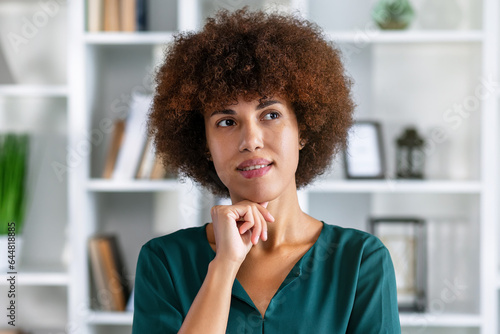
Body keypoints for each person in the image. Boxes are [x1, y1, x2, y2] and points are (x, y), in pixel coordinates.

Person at [132, 7, 400, 334]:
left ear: (303, 130)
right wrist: (224, 266)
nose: (251, 141)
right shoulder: (165, 262)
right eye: (226, 122)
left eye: (270, 115)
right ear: (203, 143)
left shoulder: (360, 261)